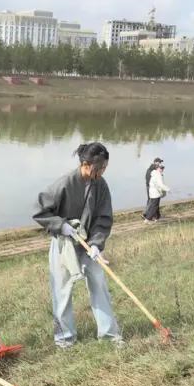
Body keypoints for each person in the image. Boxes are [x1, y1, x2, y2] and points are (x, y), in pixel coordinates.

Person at [34, 142, 123, 348]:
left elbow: (103, 217)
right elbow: (40, 210)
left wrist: (95, 245)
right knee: (62, 290)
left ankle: (110, 334)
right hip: (64, 242)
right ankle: (64, 338)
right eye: (100, 168)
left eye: (105, 167)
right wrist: (60, 225)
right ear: (86, 164)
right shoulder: (64, 183)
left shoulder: (101, 185)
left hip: (88, 244)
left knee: (99, 284)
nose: (103, 171)